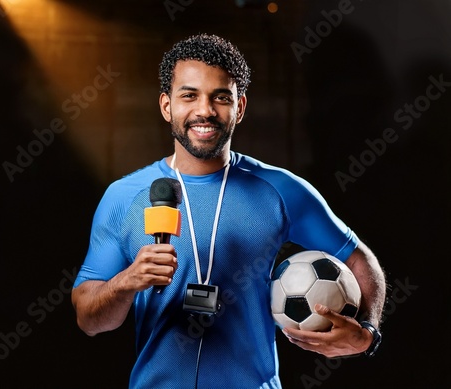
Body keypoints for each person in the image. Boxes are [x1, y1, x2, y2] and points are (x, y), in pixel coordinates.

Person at [71, 34, 386, 389]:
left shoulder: (281, 190)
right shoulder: (124, 197)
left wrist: (368, 332)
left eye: (220, 97)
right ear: (166, 106)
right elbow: (89, 319)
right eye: (189, 95)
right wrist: (126, 282)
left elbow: (360, 260)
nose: (204, 110)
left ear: (240, 107)